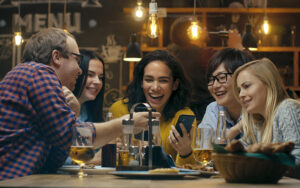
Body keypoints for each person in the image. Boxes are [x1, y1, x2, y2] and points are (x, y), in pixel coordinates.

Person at [0, 27, 159, 180]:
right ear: (56, 57)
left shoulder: (29, 74)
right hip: (10, 180)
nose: (80, 70)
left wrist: (72, 115)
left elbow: (54, 159)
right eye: (77, 59)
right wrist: (127, 123)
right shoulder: (39, 73)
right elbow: (71, 135)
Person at [110, 50, 196, 165]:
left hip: (168, 182)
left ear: (175, 85)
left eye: (163, 80)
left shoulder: (183, 117)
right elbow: (108, 160)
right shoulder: (120, 109)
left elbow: (190, 169)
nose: (155, 87)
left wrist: (186, 153)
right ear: (141, 82)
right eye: (149, 80)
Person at [231, 58, 300, 177]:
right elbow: (238, 156)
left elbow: (298, 160)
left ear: (268, 83)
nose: (241, 94)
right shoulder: (257, 121)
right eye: (239, 90)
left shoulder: (286, 108)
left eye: (246, 86)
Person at [167, 16, 244, 122]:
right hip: (203, 110)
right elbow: (239, 68)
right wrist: (236, 45)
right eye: (200, 27)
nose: (205, 30)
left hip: (177, 109)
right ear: (191, 33)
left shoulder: (170, 53)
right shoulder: (204, 54)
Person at [198, 48, 254, 139]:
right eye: (211, 80)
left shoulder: (257, 109)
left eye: (222, 77)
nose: (215, 86)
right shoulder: (214, 110)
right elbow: (206, 146)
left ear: (241, 77)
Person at [64, 49, 105, 165]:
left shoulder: (89, 111)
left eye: (101, 77)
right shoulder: (60, 105)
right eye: (90, 75)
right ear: (76, 74)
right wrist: (91, 160)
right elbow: (57, 159)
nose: (97, 82)